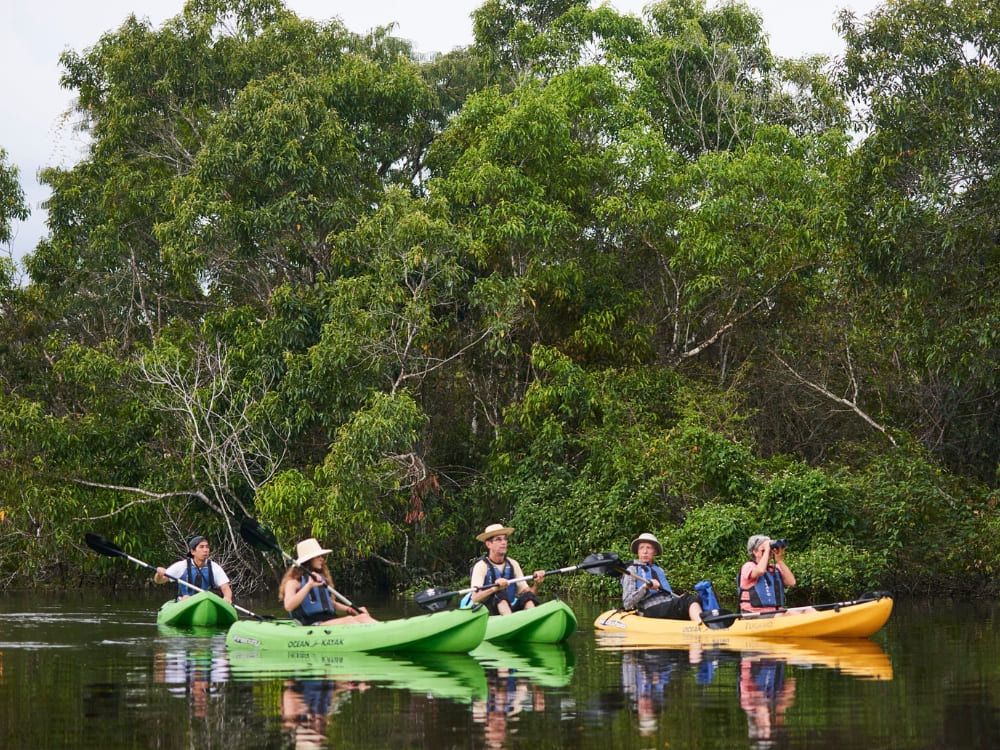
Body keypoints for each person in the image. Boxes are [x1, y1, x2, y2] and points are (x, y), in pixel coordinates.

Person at [280, 538, 376, 626]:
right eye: (318, 556)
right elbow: (288, 606)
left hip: (329, 620)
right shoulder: (293, 581)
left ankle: (385, 633)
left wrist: (350, 609)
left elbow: (332, 603)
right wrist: (309, 585)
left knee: (363, 616)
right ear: (309, 560)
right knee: (350, 620)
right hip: (311, 623)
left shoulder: (320, 578)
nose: (322, 559)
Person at [621, 532, 703, 621]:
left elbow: (666, 594)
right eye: (641, 548)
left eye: (648, 548)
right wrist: (645, 587)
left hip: (666, 605)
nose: (645, 551)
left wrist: (679, 598)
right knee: (688, 600)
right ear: (638, 551)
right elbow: (627, 603)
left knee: (698, 597)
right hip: (650, 608)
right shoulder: (632, 570)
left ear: (655, 552)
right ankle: (702, 625)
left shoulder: (659, 570)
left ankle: (711, 622)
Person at [469, 524, 546, 615]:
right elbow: (475, 598)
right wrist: (494, 588)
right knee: (500, 593)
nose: (504, 542)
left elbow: (529, 593)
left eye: (505, 539)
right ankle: (510, 623)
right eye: (498, 539)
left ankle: (534, 620)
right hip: (489, 612)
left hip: (508, 608)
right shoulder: (481, 566)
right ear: (488, 544)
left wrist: (537, 584)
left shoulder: (513, 564)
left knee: (527, 596)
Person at [738, 535, 816, 615]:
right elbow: (760, 570)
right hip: (754, 614)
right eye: (763, 550)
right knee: (786, 615)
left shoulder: (775, 568)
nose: (769, 552)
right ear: (755, 552)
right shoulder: (748, 566)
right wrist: (767, 548)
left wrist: (779, 560)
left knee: (809, 610)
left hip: (777, 612)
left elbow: (792, 582)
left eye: (770, 549)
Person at [154, 535, 233, 603]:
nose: (205, 550)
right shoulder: (182, 566)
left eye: (207, 547)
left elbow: (225, 588)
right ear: (193, 551)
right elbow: (160, 581)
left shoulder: (214, 567)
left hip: (207, 601)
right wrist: (159, 574)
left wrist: (227, 597)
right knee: (186, 598)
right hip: (185, 600)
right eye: (201, 547)